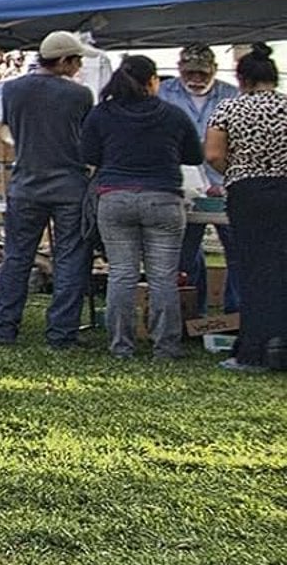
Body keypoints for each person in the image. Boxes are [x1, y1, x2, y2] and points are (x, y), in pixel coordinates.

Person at [80, 54, 201, 361]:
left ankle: (121, 346)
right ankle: (166, 347)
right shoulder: (173, 115)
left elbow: (89, 154)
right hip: (163, 198)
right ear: (153, 81)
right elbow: (195, 156)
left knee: (121, 274)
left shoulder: (101, 114)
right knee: (163, 277)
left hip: (115, 198)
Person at [0, 30, 95, 349]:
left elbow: (9, 130)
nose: (78, 67)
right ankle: (62, 334)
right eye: (75, 61)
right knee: (70, 258)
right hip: (69, 186)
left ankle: (3, 329)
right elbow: (86, 140)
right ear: (63, 60)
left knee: (17, 258)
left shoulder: (12, 90)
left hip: (25, 184)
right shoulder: (80, 95)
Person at [204, 43, 287, 372]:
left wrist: (236, 170)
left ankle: (252, 351)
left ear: (242, 79)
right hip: (284, 188)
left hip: (247, 192)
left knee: (252, 270)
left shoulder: (228, 109)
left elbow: (212, 154)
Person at [165, 43, 240, 318]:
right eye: (190, 73)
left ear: (214, 70)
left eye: (201, 74)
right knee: (185, 254)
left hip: (226, 180)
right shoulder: (164, 92)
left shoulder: (231, 94)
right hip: (183, 185)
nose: (195, 79)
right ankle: (192, 312)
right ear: (180, 70)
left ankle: (235, 313)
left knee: (237, 250)